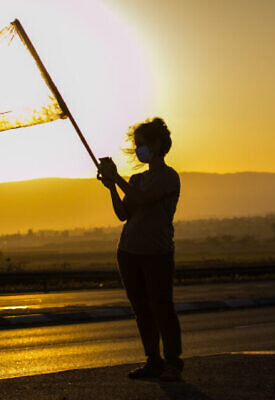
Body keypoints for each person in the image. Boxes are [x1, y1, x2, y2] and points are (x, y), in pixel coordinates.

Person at [96, 117, 183, 382]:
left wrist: (117, 178)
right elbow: (123, 214)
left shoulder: (168, 177)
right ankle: (152, 360)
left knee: (162, 307)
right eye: (136, 145)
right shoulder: (135, 179)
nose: (138, 150)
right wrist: (111, 187)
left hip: (157, 253)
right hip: (129, 252)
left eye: (142, 144)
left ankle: (173, 363)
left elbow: (144, 200)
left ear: (157, 144)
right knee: (141, 309)